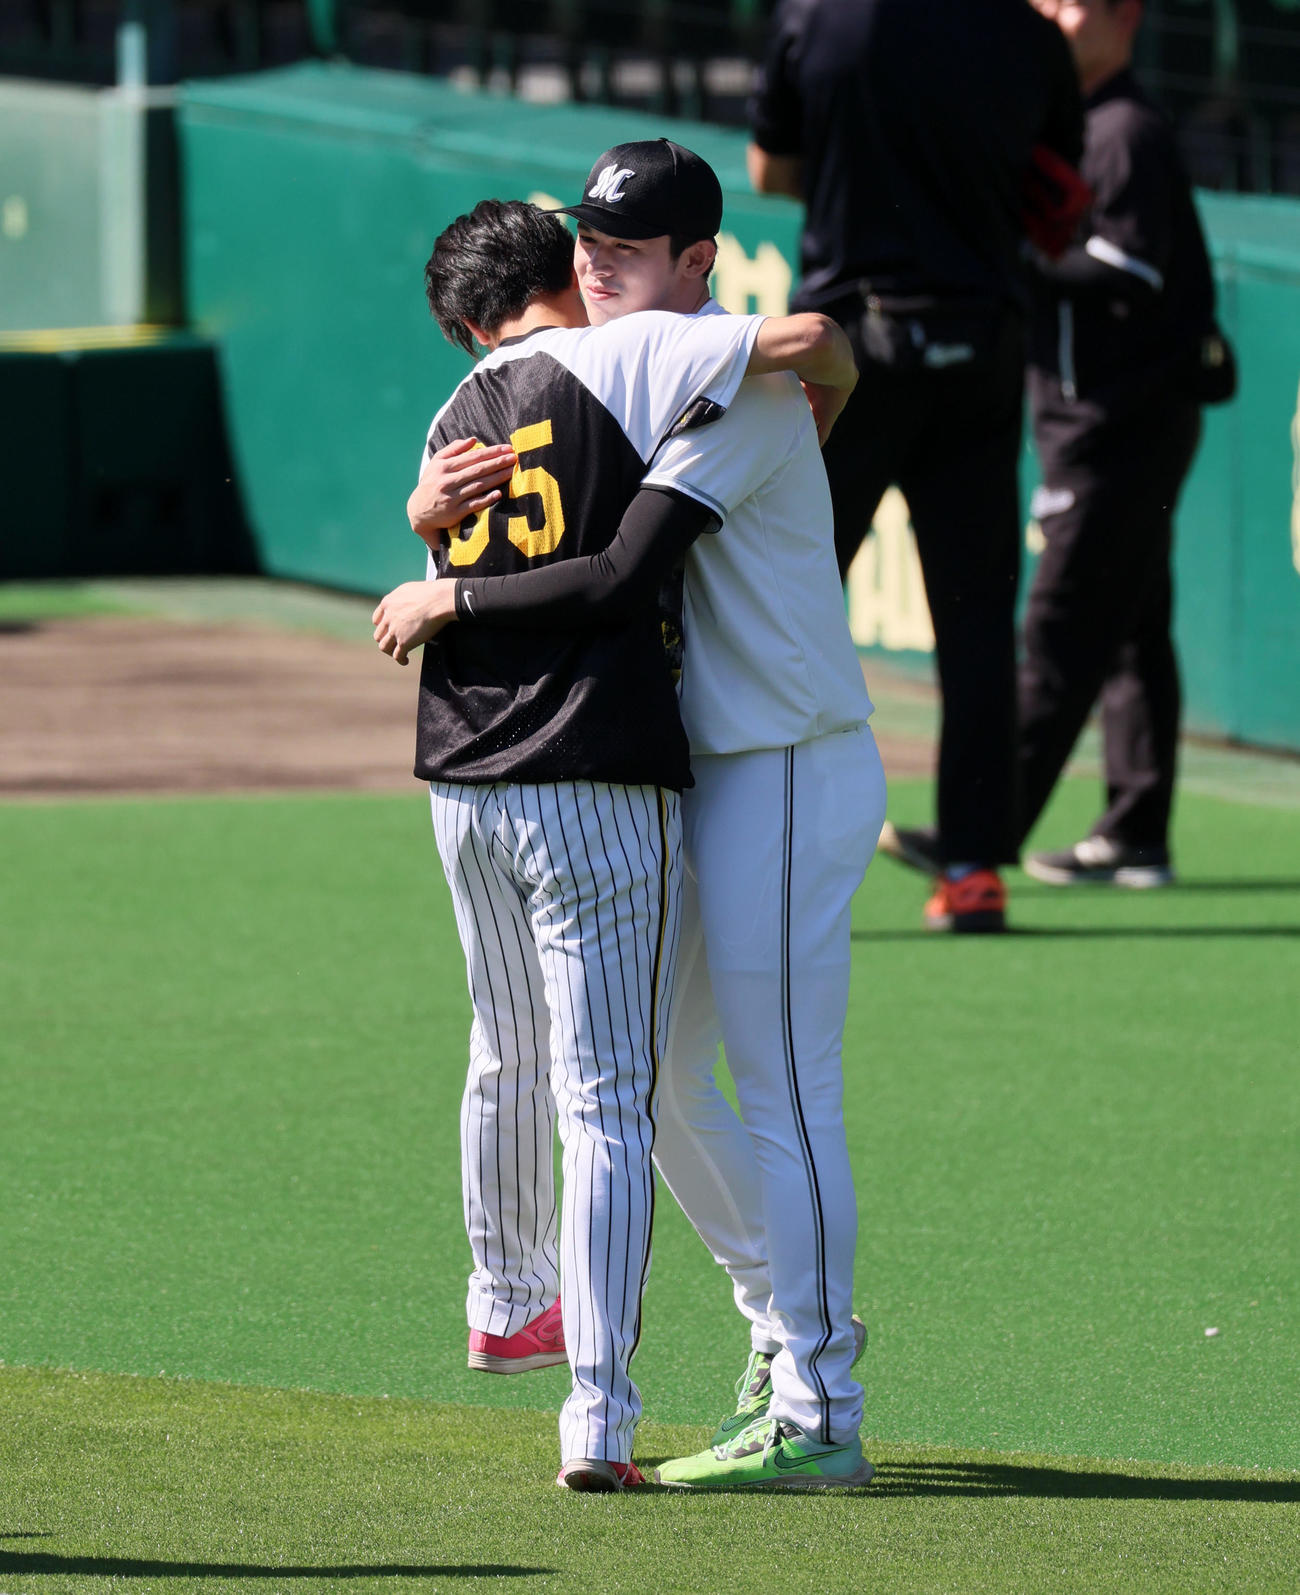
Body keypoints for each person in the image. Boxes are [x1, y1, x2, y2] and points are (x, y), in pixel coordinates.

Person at [398, 139, 885, 1491]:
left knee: (787, 1091)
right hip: (707, 773)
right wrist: (424, 513)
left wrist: (446, 594)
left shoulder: (732, 376)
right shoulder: (621, 381)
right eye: (592, 240)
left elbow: (619, 569)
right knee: (650, 1082)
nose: (602, 259)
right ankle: (782, 1327)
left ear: (696, 261)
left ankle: (821, 1403)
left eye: (634, 242)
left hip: (785, 757)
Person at [748, 0, 1084, 931]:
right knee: (977, 627)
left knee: (785, 603)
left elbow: (771, 169)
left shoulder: (818, 18)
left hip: (848, 351)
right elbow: (1058, 182)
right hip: (979, 345)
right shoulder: (1024, 33)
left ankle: (761, 845)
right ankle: (974, 867)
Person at [1011, 0, 1229, 886]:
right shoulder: (1077, 122)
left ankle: (973, 830)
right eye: (1045, 3)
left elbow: (1129, 269)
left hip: (1119, 422)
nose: (1057, 20)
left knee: (1059, 630)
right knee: (1134, 630)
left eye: (1077, 4)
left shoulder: (1123, 129)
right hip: (1110, 417)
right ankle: (1136, 831)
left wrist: (1012, 248)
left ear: (1125, 17)